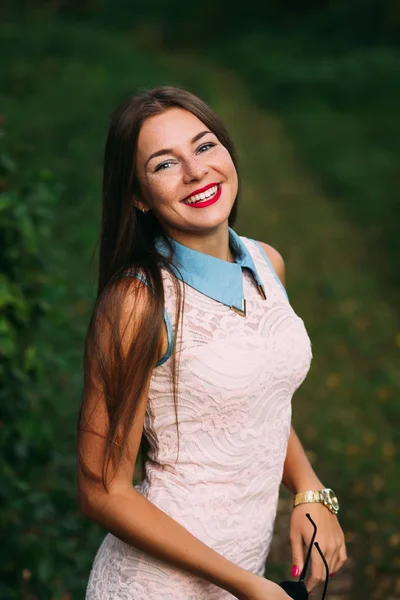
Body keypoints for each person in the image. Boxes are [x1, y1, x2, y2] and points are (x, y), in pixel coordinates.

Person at [77, 86, 347, 600]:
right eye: (163, 164)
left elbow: (257, 402)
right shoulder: (138, 302)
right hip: (158, 585)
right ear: (137, 195)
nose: (196, 171)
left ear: (227, 152)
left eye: (204, 147)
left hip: (243, 576)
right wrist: (248, 586)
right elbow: (99, 491)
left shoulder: (269, 265)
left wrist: (311, 491)